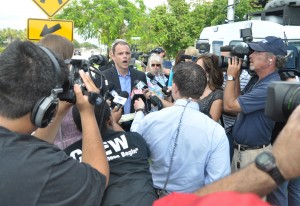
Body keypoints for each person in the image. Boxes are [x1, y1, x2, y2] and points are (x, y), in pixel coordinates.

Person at [0, 40, 109, 205]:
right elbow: (97, 179)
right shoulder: (46, 169)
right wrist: (87, 113)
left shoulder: (20, 156)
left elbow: (24, 149)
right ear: (45, 107)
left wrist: (58, 113)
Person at [131, 62, 230, 194]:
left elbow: (134, 138)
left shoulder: (151, 120)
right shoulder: (215, 131)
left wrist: (139, 112)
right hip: (193, 199)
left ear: (175, 88)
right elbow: (219, 183)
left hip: (154, 196)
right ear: (201, 91)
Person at [223, 36, 288, 205]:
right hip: (242, 152)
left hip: (253, 154)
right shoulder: (257, 80)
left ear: (270, 59)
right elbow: (237, 100)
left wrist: (230, 77)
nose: (250, 55)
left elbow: (230, 107)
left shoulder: (270, 86)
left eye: (257, 52)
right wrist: (236, 76)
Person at [64, 102, 157, 206]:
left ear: (76, 127)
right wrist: (113, 122)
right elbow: (125, 137)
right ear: (109, 119)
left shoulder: (68, 156)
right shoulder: (135, 138)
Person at [38, 34, 81, 150]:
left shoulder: (74, 87)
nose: (70, 67)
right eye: (68, 61)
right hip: (46, 158)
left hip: (75, 156)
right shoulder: (33, 93)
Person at [102, 39, 148, 131]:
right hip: (113, 127)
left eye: (127, 53)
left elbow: (145, 101)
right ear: (113, 56)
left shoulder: (140, 75)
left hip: (136, 125)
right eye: (120, 53)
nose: (125, 56)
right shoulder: (104, 76)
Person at [196, 53, 224, 122]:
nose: (195, 70)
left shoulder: (218, 94)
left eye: (198, 68)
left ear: (209, 71)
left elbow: (212, 123)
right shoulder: (194, 87)